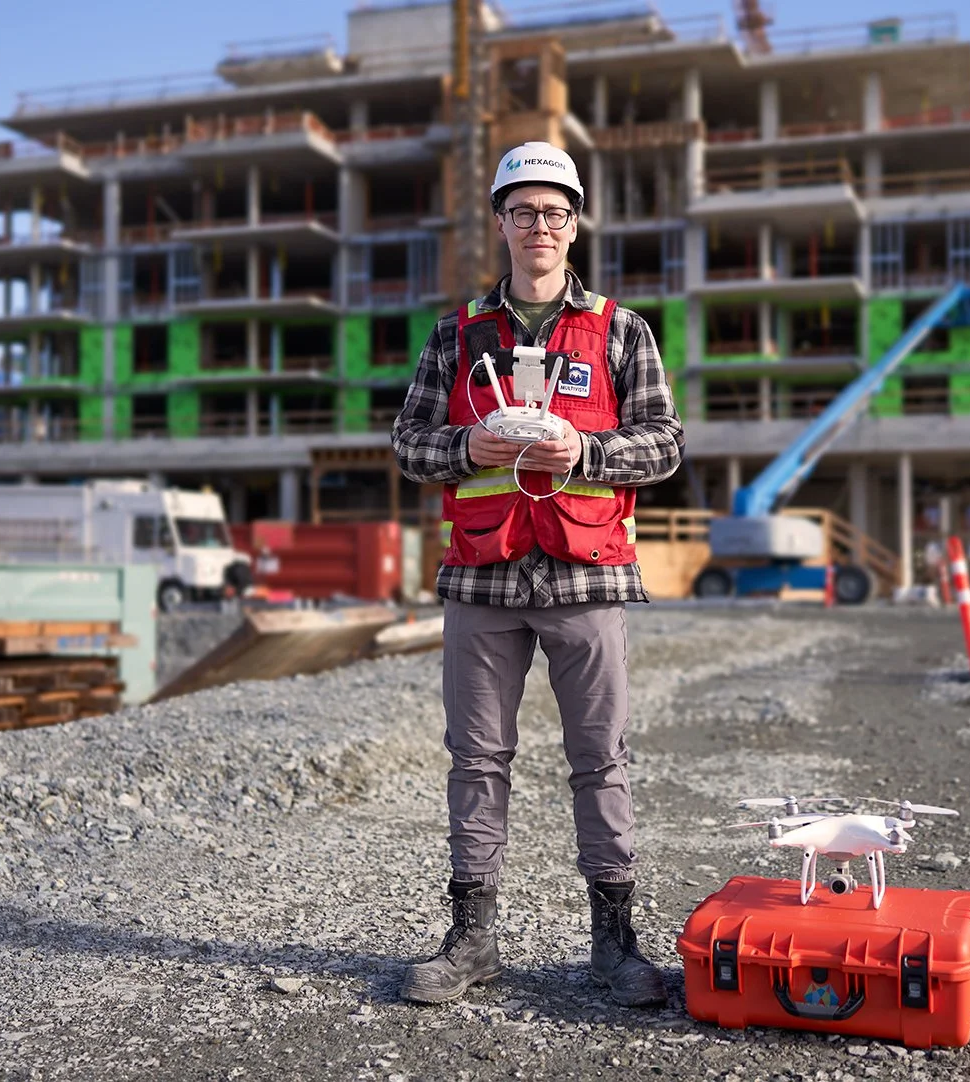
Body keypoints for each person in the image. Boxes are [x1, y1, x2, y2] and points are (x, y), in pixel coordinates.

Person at [390, 142, 684, 1007]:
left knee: (602, 760)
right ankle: (472, 938)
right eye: (523, 212)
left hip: (587, 576)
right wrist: (462, 447)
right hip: (483, 579)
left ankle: (615, 941)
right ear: (501, 223)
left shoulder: (624, 332)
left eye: (555, 212)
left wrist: (586, 448)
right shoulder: (455, 335)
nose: (540, 227)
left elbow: (665, 443)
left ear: (575, 221)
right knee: (476, 759)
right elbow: (408, 444)